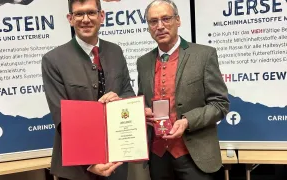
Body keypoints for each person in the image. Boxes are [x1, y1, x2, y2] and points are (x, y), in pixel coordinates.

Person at [136, 0, 230, 180]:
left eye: (166, 19)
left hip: (195, 157)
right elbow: (143, 100)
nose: (160, 26)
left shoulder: (204, 55)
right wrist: (143, 110)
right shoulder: (143, 62)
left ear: (178, 20)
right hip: (158, 157)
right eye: (153, 21)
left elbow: (220, 104)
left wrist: (187, 121)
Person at [41, 0, 135, 179]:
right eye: (79, 14)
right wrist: (89, 161)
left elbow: (128, 92)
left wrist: (120, 100)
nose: (85, 19)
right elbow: (62, 118)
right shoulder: (53, 60)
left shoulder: (116, 51)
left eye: (91, 13)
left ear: (102, 16)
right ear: (70, 19)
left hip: (116, 162)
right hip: (78, 170)